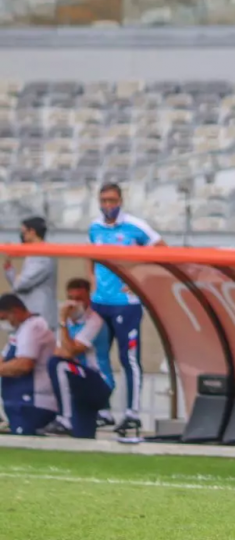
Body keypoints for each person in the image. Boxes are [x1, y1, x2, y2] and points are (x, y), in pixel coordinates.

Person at [88, 182, 165, 440]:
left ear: (121, 200)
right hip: (100, 303)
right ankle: (104, 409)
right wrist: (93, 286)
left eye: (112, 200)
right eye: (104, 201)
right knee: (98, 357)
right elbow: (92, 258)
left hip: (126, 304)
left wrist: (139, 281)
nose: (108, 205)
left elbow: (162, 248)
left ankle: (132, 412)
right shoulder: (95, 227)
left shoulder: (135, 226)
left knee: (128, 358)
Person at [47, 279, 115, 440]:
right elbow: (59, 352)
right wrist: (64, 324)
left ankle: (65, 419)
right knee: (83, 438)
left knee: (58, 366)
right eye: (71, 298)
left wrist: (63, 322)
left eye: (79, 299)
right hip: (80, 385)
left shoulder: (94, 321)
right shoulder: (67, 324)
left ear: (88, 299)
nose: (74, 304)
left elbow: (70, 352)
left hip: (98, 381)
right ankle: (74, 422)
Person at [0, 293, 56, 435]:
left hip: (31, 402)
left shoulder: (34, 327)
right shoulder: (19, 331)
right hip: (17, 403)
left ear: (16, 311)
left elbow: (24, 365)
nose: (4, 323)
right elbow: (3, 358)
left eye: (4, 318)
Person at [3, 217, 58, 332]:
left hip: (40, 316)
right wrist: (8, 266)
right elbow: (18, 283)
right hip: (30, 317)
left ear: (32, 232)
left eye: (23, 232)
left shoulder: (43, 255)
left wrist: (17, 279)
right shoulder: (33, 253)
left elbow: (21, 284)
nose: (21, 236)